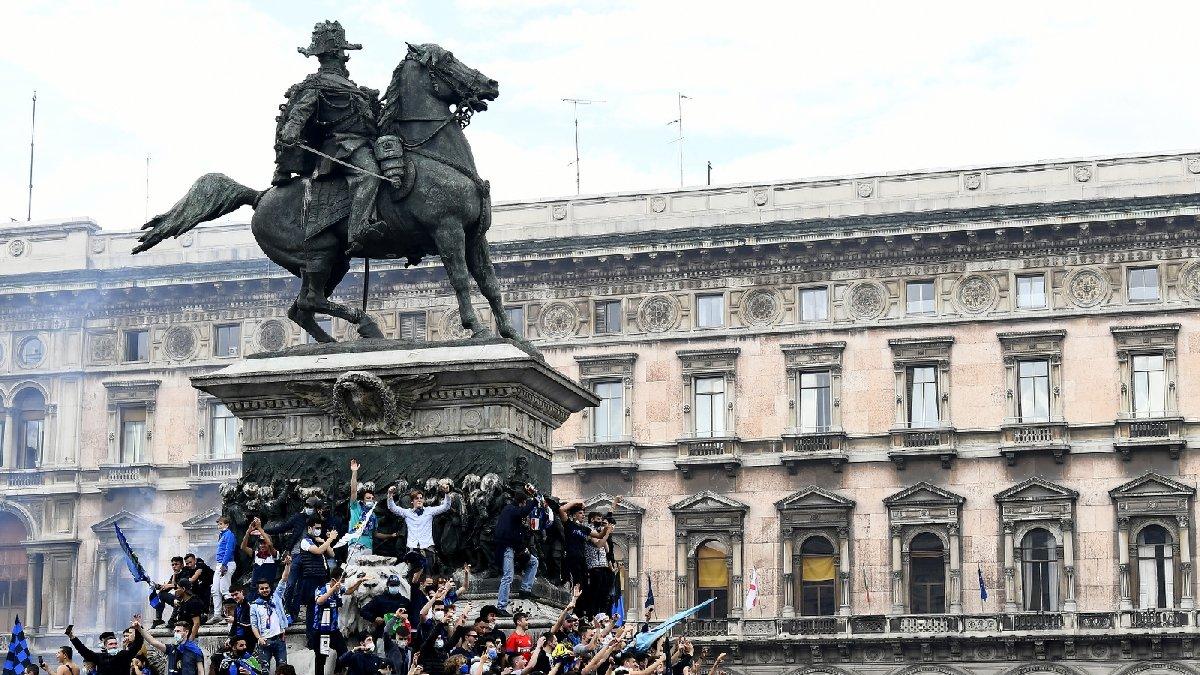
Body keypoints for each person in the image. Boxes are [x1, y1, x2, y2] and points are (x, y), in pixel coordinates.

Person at [274, 20, 386, 257]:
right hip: (343, 146)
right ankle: (358, 231)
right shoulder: (318, 84)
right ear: (336, 53)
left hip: (367, 143)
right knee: (367, 175)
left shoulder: (350, 85)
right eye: (340, 52)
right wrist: (291, 130)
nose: (342, 57)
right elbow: (300, 112)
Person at [386, 483, 454, 574]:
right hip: (412, 549)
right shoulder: (407, 513)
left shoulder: (429, 510)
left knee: (428, 576)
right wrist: (390, 494)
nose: (419, 500)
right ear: (412, 501)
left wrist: (447, 493)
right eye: (416, 498)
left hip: (427, 548)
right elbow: (392, 508)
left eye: (421, 498)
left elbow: (446, 507)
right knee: (413, 577)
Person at [493, 486, 540, 616]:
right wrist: (534, 500)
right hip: (507, 548)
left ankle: (525, 590)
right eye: (525, 503)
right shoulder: (511, 509)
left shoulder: (511, 511)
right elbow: (523, 512)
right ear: (522, 502)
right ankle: (501, 606)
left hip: (515, 548)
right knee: (508, 576)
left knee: (533, 562)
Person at [310, 567, 365, 675]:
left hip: (333, 629)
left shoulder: (340, 589)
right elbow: (320, 601)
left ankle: (338, 671)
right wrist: (332, 589)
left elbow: (349, 591)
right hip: (320, 630)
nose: (343, 583)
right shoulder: (321, 588)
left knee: (344, 652)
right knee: (320, 658)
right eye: (342, 580)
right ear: (334, 580)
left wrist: (359, 582)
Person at [290, 518, 339, 622]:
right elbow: (318, 551)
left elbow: (332, 554)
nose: (318, 530)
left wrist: (325, 541)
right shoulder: (305, 541)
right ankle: (310, 634)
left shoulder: (317, 541)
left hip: (321, 577)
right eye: (316, 528)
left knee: (322, 604)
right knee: (312, 606)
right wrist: (331, 539)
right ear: (309, 528)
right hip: (310, 578)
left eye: (320, 528)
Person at [250, 552, 292, 671]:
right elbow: (254, 625)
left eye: (266, 588)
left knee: (283, 670)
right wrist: (259, 638)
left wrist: (287, 565)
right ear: (258, 591)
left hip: (279, 640)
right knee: (264, 671)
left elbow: (284, 580)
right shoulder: (254, 606)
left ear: (270, 588)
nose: (265, 590)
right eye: (262, 589)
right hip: (265, 641)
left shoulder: (276, 597)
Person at [67, 617, 144, 675]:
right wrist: (73, 638)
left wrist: (138, 629)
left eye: (115, 644)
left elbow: (137, 644)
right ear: (105, 646)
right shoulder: (100, 657)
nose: (113, 646)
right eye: (110, 644)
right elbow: (84, 651)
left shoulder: (123, 655)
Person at [135, 619, 203, 675]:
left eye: (178, 631)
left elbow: (200, 671)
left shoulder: (195, 650)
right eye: (175, 631)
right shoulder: (172, 648)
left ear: (186, 632)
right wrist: (140, 629)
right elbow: (153, 642)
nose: (176, 634)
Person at [347, 459, 378, 563]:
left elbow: (375, 533)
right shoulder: (356, 506)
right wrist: (354, 471)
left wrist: (390, 536)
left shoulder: (373, 515)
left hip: (368, 546)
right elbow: (353, 490)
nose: (370, 500)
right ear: (363, 499)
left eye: (372, 498)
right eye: (368, 498)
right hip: (355, 545)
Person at [211, 516, 237, 623]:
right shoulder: (222, 535)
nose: (219, 526)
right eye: (218, 524)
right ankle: (217, 614)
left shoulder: (229, 535)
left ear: (227, 525)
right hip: (220, 564)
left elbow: (229, 549)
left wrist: (224, 564)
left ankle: (229, 615)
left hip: (226, 564)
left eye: (221, 524)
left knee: (225, 590)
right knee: (215, 590)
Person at [241, 518, 279, 587]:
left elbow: (270, 544)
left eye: (264, 543)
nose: (262, 545)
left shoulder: (274, 555)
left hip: (267, 589)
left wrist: (259, 528)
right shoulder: (256, 554)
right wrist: (248, 532)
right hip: (255, 588)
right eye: (260, 543)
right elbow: (243, 547)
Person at [153, 557, 187, 628]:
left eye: (176, 564)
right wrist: (159, 587)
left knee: (179, 595)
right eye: (173, 565)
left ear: (181, 565)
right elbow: (167, 588)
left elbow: (179, 586)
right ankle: (158, 619)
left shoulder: (185, 573)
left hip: (186, 600)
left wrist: (170, 584)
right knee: (161, 594)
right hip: (177, 600)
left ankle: (173, 619)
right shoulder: (174, 575)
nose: (174, 566)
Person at [225, 585, 256, 654]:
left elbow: (250, 624)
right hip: (238, 637)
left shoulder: (249, 605)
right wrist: (229, 637)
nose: (235, 597)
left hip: (249, 638)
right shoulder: (237, 606)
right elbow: (234, 625)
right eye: (232, 595)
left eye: (236, 594)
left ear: (241, 592)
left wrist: (235, 621)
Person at [183, 554, 215, 619]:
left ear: (195, 560)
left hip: (211, 584)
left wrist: (184, 579)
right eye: (187, 563)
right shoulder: (187, 569)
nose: (189, 565)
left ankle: (205, 613)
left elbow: (193, 579)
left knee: (204, 591)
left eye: (190, 562)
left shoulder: (200, 565)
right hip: (200, 586)